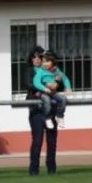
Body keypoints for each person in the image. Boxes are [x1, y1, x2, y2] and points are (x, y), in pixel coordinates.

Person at [25, 46, 58, 175]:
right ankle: (34, 169)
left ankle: (51, 168)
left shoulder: (51, 70)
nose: (37, 59)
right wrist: (45, 87)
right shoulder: (29, 70)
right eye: (34, 57)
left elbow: (58, 82)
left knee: (52, 140)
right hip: (36, 110)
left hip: (50, 109)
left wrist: (55, 84)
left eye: (40, 57)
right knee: (37, 140)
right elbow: (28, 84)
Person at [32, 50, 72, 129]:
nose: (44, 64)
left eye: (47, 61)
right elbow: (36, 82)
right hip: (43, 92)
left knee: (63, 99)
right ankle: (47, 118)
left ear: (53, 61)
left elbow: (65, 79)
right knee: (47, 101)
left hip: (53, 92)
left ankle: (59, 116)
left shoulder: (57, 70)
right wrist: (44, 88)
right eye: (43, 62)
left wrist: (68, 87)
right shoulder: (40, 71)